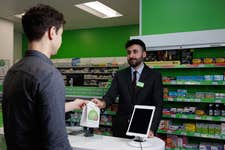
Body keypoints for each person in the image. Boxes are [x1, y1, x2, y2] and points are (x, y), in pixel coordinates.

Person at [2, 4, 88, 150]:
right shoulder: (49, 75)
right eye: (61, 34)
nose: (61, 40)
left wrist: (73, 104)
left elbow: (32, 112)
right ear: (52, 32)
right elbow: (57, 142)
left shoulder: (13, 71)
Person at [92, 39, 163, 138]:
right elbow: (111, 95)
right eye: (129, 52)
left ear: (144, 54)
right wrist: (103, 103)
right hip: (121, 127)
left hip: (143, 127)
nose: (131, 55)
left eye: (135, 51)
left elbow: (158, 105)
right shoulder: (120, 75)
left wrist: (151, 128)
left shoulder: (154, 76)